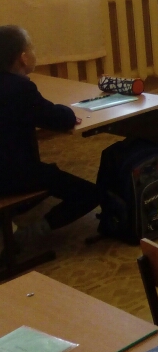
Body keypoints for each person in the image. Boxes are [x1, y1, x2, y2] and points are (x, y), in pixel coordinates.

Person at [0, 25, 99, 242]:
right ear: (23, 58)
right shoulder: (20, 90)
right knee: (91, 193)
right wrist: (67, 112)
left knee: (47, 172)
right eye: (32, 48)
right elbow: (62, 118)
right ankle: (23, 237)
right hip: (10, 176)